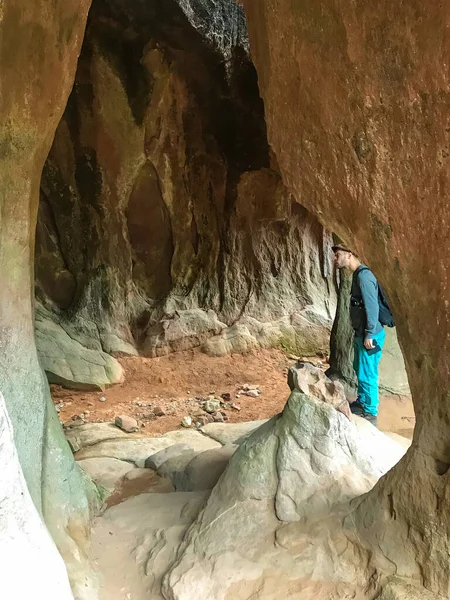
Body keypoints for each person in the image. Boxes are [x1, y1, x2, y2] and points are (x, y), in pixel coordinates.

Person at [332, 244, 386, 426]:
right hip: (362, 333)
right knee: (359, 368)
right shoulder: (357, 275)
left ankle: (370, 413)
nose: (335, 258)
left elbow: (372, 307)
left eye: (337, 254)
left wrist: (369, 334)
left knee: (368, 373)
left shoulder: (364, 277)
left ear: (349, 255)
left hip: (370, 335)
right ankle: (362, 402)